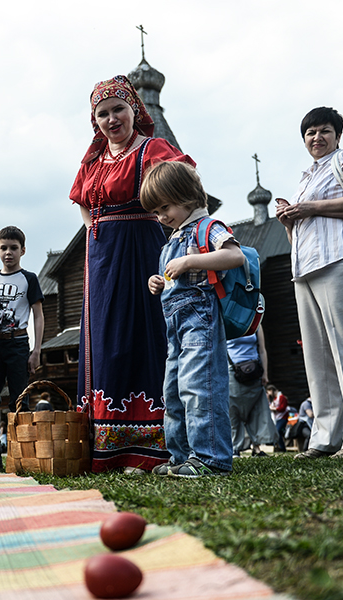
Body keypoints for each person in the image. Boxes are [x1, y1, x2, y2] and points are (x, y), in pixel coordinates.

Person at [70, 75, 195, 473]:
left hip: (142, 247)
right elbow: (83, 203)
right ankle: (108, 446)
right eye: (102, 114)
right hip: (101, 259)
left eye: (118, 110)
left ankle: (153, 445)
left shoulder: (152, 149)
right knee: (106, 339)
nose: (111, 120)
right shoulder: (92, 160)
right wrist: (96, 231)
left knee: (142, 336)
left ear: (133, 110)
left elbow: (184, 182)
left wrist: (160, 222)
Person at [276, 107, 343, 459]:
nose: (317, 138)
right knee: (317, 357)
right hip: (305, 270)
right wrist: (290, 219)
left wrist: (310, 208)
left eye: (324, 131)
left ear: (337, 135)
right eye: (310, 133)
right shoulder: (306, 177)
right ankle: (324, 438)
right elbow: (304, 232)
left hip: (341, 261)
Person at [143, 161, 242, 477]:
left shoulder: (207, 228)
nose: (161, 217)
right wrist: (158, 282)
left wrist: (189, 261)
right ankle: (181, 456)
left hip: (200, 318)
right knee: (173, 390)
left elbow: (234, 256)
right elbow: (172, 278)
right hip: (175, 326)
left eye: (165, 207)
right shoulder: (172, 238)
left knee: (199, 386)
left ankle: (211, 458)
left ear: (186, 196)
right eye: (156, 211)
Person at [0, 226, 45, 469]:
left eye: (14, 248)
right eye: (4, 248)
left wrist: (36, 349)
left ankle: (22, 453)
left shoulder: (29, 279)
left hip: (18, 343)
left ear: (23, 250)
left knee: (20, 400)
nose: (9, 253)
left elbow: (38, 315)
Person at [226, 330, 275, 457]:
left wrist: (265, 373)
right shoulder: (227, 321)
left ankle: (257, 447)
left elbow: (262, 350)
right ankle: (235, 447)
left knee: (256, 410)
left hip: (254, 370)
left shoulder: (256, 323)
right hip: (232, 370)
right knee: (233, 410)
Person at [267, 385, 289, 453]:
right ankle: (278, 446)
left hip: (282, 417)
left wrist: (275, 409)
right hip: (276, 418)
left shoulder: (281, 397)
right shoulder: (275, 398)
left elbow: (283, 408)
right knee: (276, 432)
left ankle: (282, 447)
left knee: (278, 431)